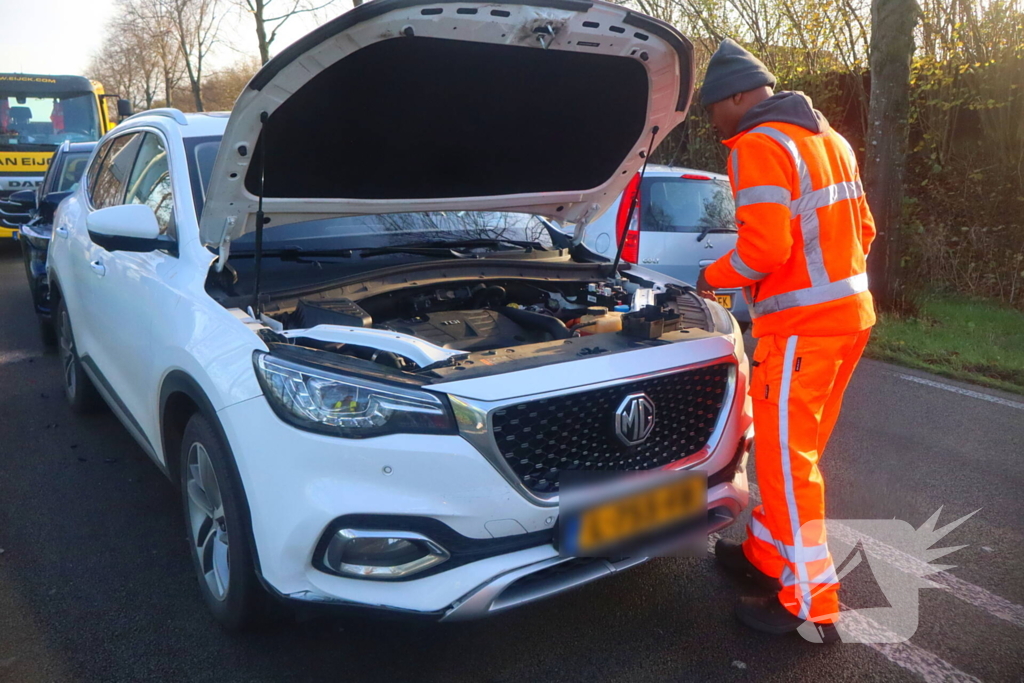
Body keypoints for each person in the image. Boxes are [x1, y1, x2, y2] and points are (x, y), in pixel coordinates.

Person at [695, 39, 876, 643]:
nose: (713, 122)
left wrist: (711, 276)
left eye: (713, 108)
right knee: (794, 453)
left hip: (802, 329)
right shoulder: (829, 138)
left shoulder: (758, 144)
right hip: (849, 319)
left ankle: (810, 604)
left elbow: (764, 249)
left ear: (737, 97)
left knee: (784, 463)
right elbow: (865, 229)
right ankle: (765, 556)